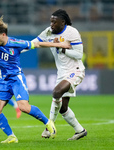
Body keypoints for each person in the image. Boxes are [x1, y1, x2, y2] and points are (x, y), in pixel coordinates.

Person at [0, 16, 69, 143]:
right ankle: (12, 137)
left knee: (24, 107)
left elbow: (37, 44)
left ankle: (48, 122)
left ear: (3, 35)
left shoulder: (17, 43)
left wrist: (60, 44)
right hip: (3, 81)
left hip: (16, 79)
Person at [29, 9, 87, 140]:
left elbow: (79, 54)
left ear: (63, 22)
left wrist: (62, 49)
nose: (52, 24)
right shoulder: (48, 32)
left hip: (75, 70)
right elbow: (34, 43)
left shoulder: (72, 32)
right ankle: (80, 130)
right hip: (61, 73)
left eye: (54, 22)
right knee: (63, 108)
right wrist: (16, 48)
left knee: (56, 92)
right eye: (51, 21)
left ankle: (49, 127)